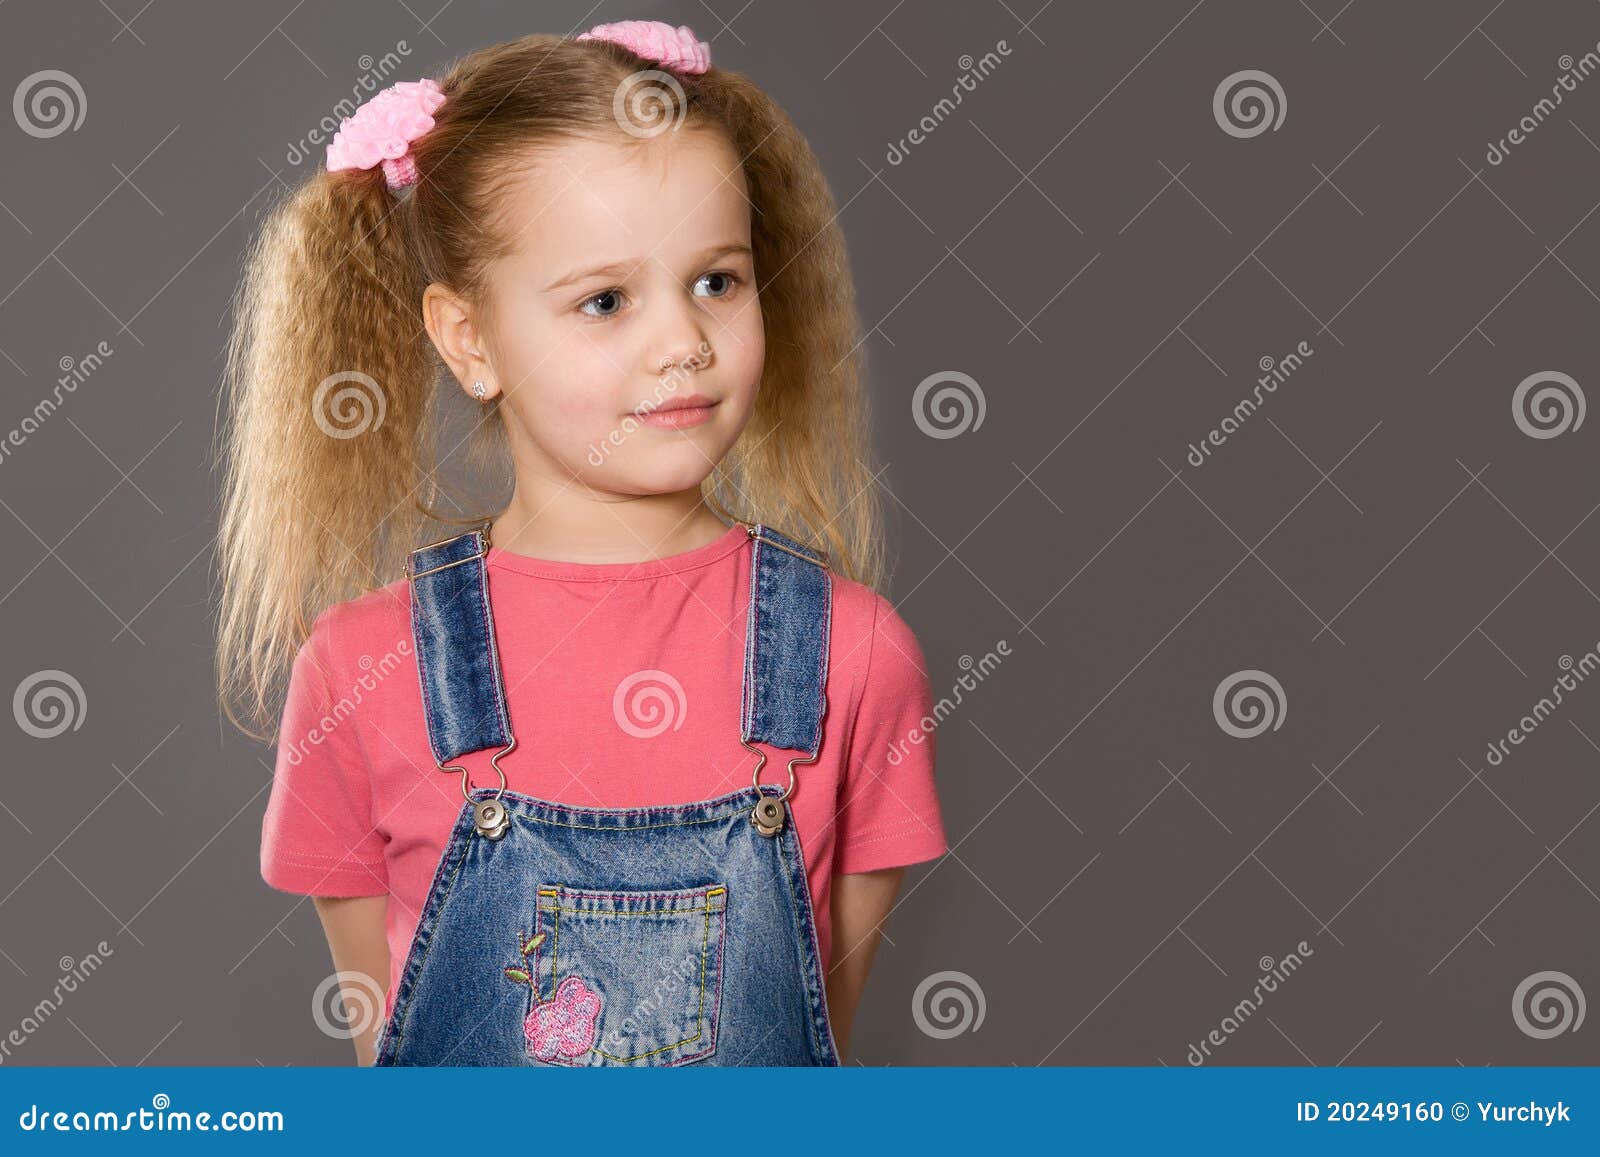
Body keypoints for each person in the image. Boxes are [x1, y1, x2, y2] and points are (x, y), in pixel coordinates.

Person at [216, 18, 948, 1066]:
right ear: (470, 339)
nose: (683, 341)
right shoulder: (362, 669)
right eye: (605, 299)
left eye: (716, 281)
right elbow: (388, 1058)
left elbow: (812, 1043)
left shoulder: (854, 652)